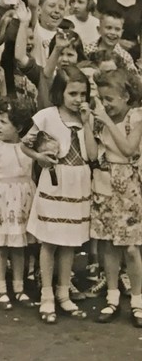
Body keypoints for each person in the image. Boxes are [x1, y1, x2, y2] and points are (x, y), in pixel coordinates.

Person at [21, 66, 97, 324]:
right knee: (50, 241)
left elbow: (94, 155)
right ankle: (46, 296)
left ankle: (64, 294)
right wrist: (40, 158)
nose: (78, 99)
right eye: (72, 93)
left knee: (70, 242)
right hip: (55, 183)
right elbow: (25, 144)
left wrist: (87, 124)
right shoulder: (46, 116)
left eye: (82, 93)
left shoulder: (87, 118)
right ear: (59, 93)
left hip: (79, 182)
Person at [90, 69, 142, 326]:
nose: (106, 104)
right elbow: (92, 152)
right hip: (104, 181)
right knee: (108, 245)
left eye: (110, 99)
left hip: (128, 186)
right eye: (102, 99)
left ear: (126, 96)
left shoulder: (136, 116)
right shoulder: (99, 118)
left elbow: (130, 150)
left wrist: (106, 121)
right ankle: (112, 298)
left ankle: (137, 300)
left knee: (131, 248)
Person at [0, 97, 37, 311]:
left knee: (19, 248)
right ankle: (0, 289)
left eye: (4, 122)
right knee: (1, 247)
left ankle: (19, 288)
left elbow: (30, 176)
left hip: (22, 202)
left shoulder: (27, 148)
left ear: (19, 127)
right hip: (3, 203)